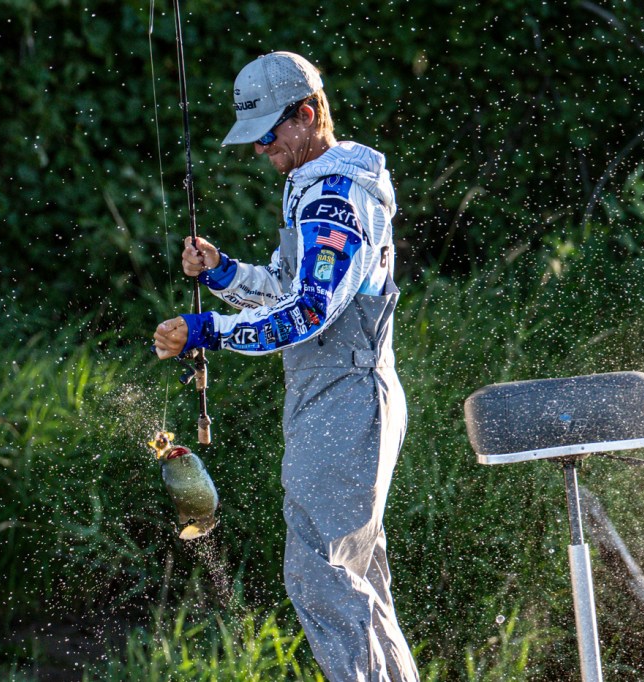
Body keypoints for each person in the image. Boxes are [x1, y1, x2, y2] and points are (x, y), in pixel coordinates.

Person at [153, 51, 419, 682]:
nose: (260, 149)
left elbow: (309, 313)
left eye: (268, 134)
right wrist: (223, 274)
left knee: (320, 575)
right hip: (332, 395)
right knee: (357, 579)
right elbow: (286, 288)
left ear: (306, 114)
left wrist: (207, 331)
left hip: (346, 395)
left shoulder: (336, 198)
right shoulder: (312, 184)